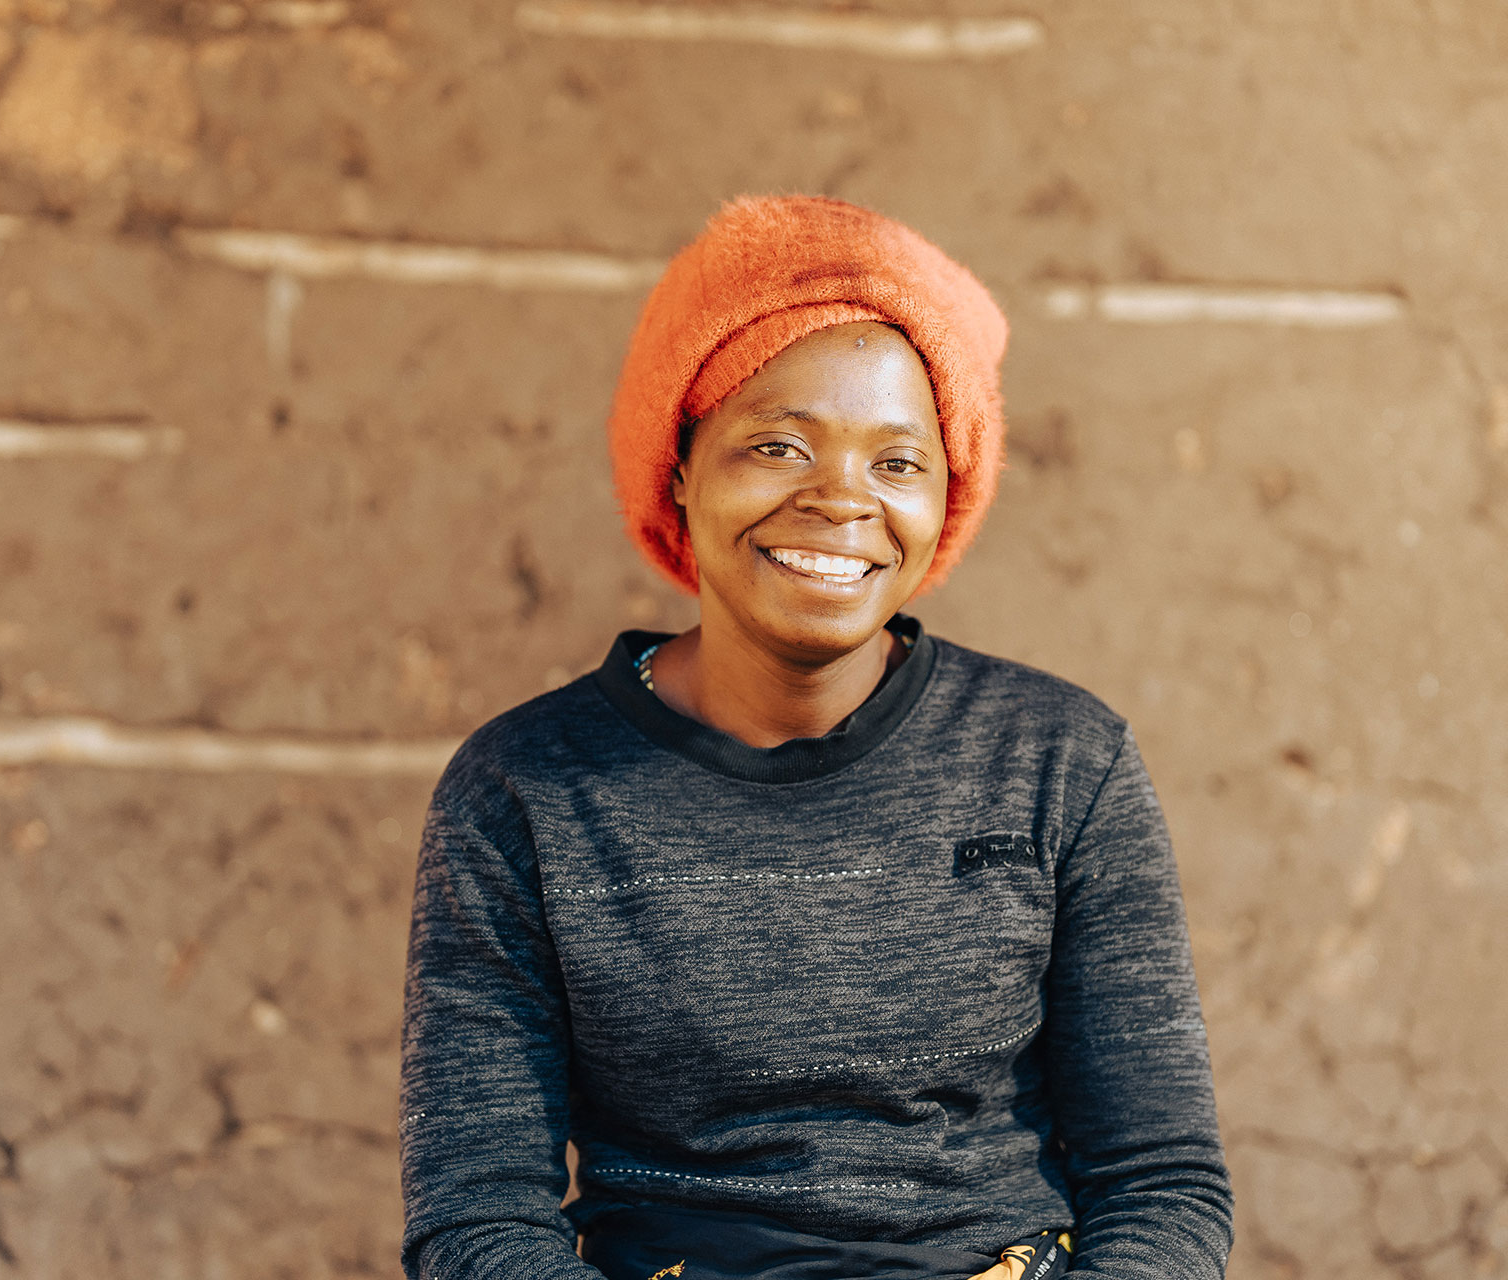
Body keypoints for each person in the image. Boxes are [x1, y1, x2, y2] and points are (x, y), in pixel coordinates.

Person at [399, 195, 1233, 1280]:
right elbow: (476, 1218)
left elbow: (1162, 1184)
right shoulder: (528, 791)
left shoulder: (1061, 763)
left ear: (948, 497)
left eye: (899, 463)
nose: (841, 500)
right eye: (778, 445)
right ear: (681, 466)